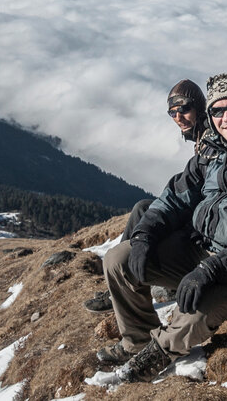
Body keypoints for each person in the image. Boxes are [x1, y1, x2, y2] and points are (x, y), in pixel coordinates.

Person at [96, 73, 227, 383]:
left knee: (192, 316)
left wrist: (209, 271)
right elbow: (172, 199)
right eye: (218, 111)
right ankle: (137, 341)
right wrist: (143, 237)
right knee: (118, 260)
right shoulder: (212, 153)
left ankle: (155, 355)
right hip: (199, 250)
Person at [83, 79, 206, 313]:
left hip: (201, 218)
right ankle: (119, 283)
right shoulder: (200, 135)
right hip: (196, 209)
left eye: (184, 109)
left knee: (146, 210)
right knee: (143, 208)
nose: (178, 117)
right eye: (172, 112)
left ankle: (125, 280)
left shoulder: (210, 136)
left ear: (199, 107)